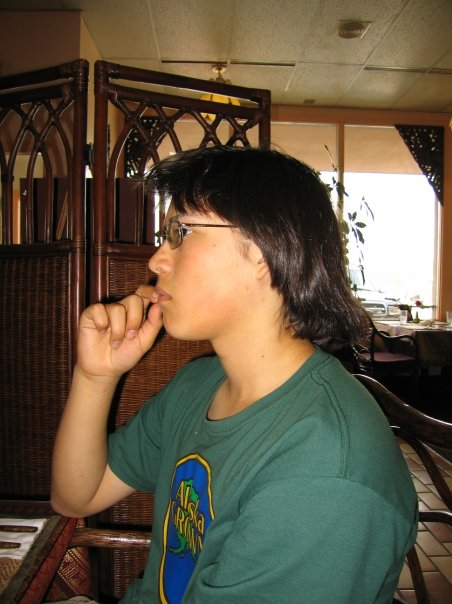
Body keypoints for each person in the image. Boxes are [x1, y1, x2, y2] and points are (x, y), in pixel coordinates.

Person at [51, 146, 418, 604]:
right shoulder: (198, 385)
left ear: (263, 251)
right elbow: (77, 497)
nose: (156, 260)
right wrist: (95, 377)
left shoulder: (324, 470)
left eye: (181, 232)